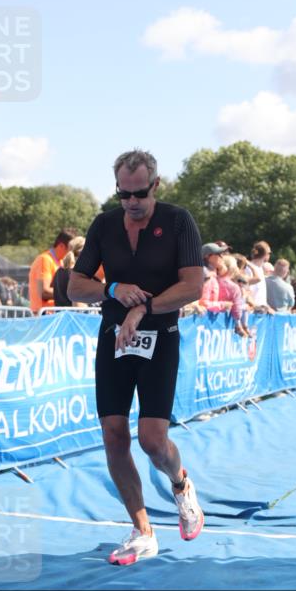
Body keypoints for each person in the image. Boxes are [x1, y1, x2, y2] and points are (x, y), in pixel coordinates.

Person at [68, 149, 204, 565]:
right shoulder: (104, 225)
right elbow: (75, 286)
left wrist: (144, 307)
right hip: (114, 337)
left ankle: (181, 486)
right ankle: (142, 530)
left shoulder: (179, 221)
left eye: (139, 193)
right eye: (123, 194)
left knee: (151, 440)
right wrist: (112, 290)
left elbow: (193, 286)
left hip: (160, 335)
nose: (131, 202)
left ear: (155, 186)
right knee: (113, 432)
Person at [29, 229, 78, 314]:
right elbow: (43, 292)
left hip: (55, 316)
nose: (73, 254)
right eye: (71, 249)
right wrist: (72, 293)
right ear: (61, 246)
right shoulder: (44, 259)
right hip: (44, 317)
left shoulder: (61, 262)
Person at [52, 236, 86, 307]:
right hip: (74, 317)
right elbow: (79, 307)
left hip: (61, 316)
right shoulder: (77, 274)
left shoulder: (59, 271)